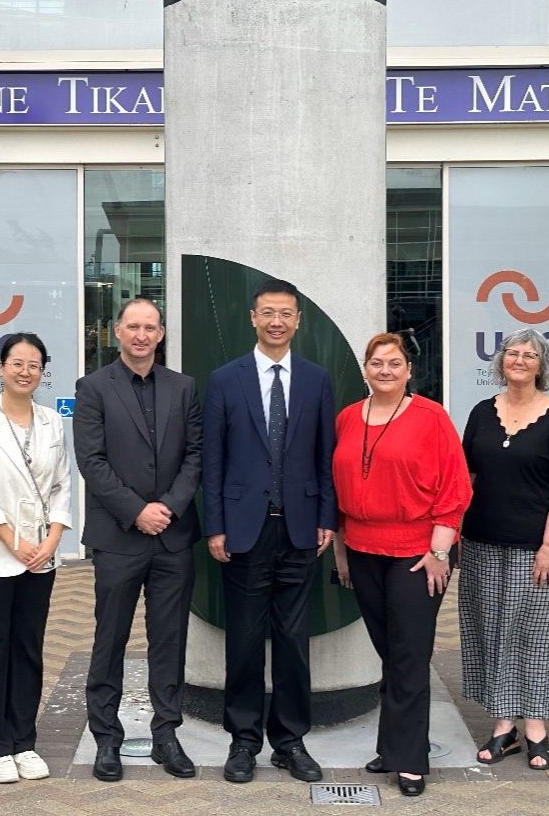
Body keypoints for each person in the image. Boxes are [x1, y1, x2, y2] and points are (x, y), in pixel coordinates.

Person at [203, 278, 337, 785]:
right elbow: (213, 460)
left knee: (293, 642)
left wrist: (326, 517)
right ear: (253, 318)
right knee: (243, 641)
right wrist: (215, 525)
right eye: (267, 313)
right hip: (243, 531)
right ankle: (243, 741)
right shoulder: (225, 379)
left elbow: (325, 455)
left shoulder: (316, 379)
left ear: (298, 321)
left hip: (300, 530)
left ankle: (290, 741)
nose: (276, 322)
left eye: (285, 314)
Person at [331, 333, 471, 797]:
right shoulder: (348, 418)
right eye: (377, 363)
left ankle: (410, 760)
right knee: (391, 654)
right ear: (365, 370)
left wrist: (440, 551)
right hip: (363, 550)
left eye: (395, 363)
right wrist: (341, 552)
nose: (386, 370)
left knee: (409, 655)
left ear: (409, 370)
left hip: (418, 553)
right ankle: (394, 745)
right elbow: (338, 488)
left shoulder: (431, 417)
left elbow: (454, 488)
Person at [73, 297, 202, 782]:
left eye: (150, 327)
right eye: (133, 327)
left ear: (161, 333)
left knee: (169, 641)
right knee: (110, 640)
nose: (142, 335)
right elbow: (91, 461)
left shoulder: (183, 387)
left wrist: (167, 507)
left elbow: (195, 455)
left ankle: (166, 734)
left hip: (172, 536)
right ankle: (107, 738)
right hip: (118, 537)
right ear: (117, 331)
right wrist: (136, 511)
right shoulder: (92, 388)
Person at [458, 328, 549, 772]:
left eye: (530, 355)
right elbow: (465, 478)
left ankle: (536, 729)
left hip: (537, 550)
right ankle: (504, 725)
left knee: (535, 637)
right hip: (482, 545)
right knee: (491, 633)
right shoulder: (481, 412)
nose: (520, 360)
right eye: (513, 353)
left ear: (542, 365)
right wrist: (453, 534)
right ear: (501, 361)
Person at [0, 333, 72, 784]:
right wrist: (13, 541)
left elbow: (62, 484)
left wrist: (53, 538)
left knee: (28, 649)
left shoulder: (51, 422)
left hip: (40, 557)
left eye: (34, 365)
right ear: (1, 367)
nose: (26, 372)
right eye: (17, 363)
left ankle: (24, 740)